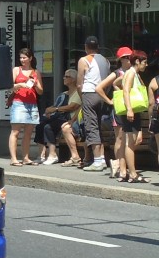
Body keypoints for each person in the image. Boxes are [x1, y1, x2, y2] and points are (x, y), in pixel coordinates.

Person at [95, 47, 144, 180]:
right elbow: (99, 88)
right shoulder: (117, 73)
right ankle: (121, 169)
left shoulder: (133, 72)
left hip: (129, 108)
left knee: (130, 139)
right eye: (127, 57)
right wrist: (110, 101)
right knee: (121, 139)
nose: (130, 59)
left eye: (131, 56)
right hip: (120, 110)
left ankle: (123, 167)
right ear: (121, 59)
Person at [77, 36, 111, 170]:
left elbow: (80, 83)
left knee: (91, 126)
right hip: (102, 95)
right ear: (98, 47)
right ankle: (102, 158)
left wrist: (82, 96)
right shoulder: (105, 60)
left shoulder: (84, 60)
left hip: (89, 93)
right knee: (98, 125)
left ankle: (97, 160)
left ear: (86, 47)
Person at [36, 68, 81, 165]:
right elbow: (56, 106)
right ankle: (41, 155)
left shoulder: (78, 92)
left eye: (67, 76)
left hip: (67, 118)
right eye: (64, 76)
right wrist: (49, 109)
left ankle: (53, 154)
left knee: (49, 127)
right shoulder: (63, 94)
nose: (64, 78)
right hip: (58, 116)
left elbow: (73, 106)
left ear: (73, 79)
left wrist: (55, 109)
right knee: (40, 125)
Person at [7, 47, 40, 166]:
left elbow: (40, 91)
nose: (22, 60)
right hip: (19, 102)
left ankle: (26, 158)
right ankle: (14, 158)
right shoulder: (16, 70)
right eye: (21, 57)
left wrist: (36, 85)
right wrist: (20, 84)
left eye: (24, 57)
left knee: (28, 133)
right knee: (15, 131)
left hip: (32, 103)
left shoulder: (35, 72)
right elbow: (10, 86)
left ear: (30, 58)